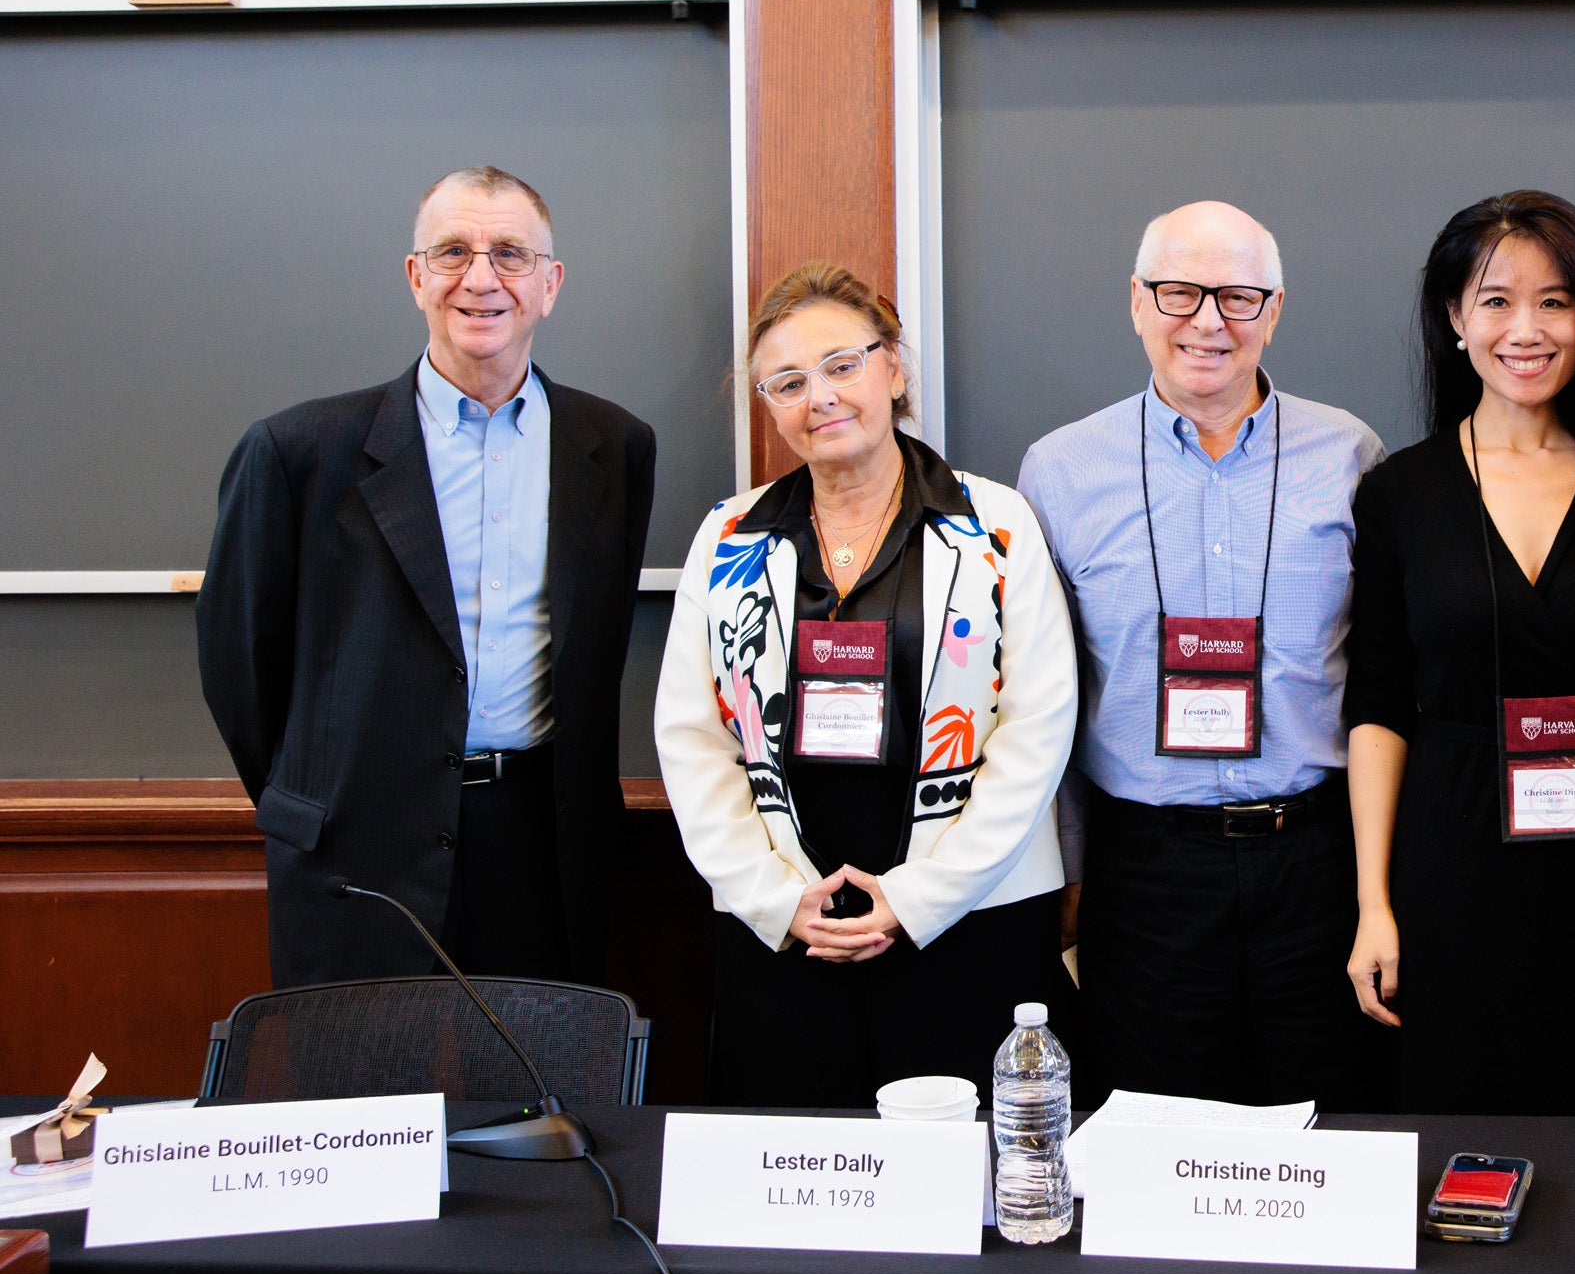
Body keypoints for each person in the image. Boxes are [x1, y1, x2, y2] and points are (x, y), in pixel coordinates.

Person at [198, 167, 656, 986]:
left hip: (543, 848)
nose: (481, 278)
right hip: (357, 850)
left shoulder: (613, 447)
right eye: (452, 252)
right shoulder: (298, 454)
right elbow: (241, 665)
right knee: (362, 1108)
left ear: (550, 286)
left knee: (537, 1105)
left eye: (511, 254)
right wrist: (325, 795)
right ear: (416, 278)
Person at [655, 263, 1077, 1106]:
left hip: (971, 915)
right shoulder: (728, 536)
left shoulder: (993, 525)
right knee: (795, 1182)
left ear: (895, 369)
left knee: (972, 1198)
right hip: (787, 926)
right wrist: (775, 900)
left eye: (844, 365)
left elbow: (1038, 727)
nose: (821, 397)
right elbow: (692, 740)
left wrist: (918, 899)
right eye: (788, 382)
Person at [1019, 201, 1386, 1108]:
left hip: (1315, 860)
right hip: (1145, 869)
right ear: (1138, 303)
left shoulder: (1351, 455)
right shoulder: (1060, 471)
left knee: (1327, 1124)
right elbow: (1042, 700)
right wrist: (1067, 879)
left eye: (1238, 297)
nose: (1209, 322)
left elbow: (1387, 674)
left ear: (1276, 309)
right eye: (1181, 294)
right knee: (1156, 1135)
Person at [1343, 191, 1575, 1114]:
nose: (1524, 329)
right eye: (1495, 300)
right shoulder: (1398, 493)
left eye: (1556, 301)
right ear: (1454, 317)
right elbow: (1376, 707)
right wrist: (1374, 902)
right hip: (1448, 872)